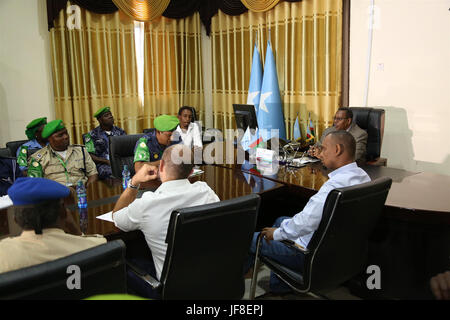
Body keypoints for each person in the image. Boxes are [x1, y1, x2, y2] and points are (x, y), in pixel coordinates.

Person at [245, 131, 371, 294]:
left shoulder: (333, 187)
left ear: (338, 149)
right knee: (280, 220)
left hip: (307, 255)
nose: (321, 153)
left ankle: (233, 286)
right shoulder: (363, 178)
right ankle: (280, 286)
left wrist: (276, 234)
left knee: (248, 238)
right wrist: (281, 230)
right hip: (340, 252)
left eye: (324, 149)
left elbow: (306, 222)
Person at [113, 144, 220, 298]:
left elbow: (116, 217)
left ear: (161, 166)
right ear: (191, 172)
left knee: (124, 262)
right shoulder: (206, 191)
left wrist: (134, 181)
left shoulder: (147, 204)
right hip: (209, 279)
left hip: (172, 290)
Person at [0, 177, 106, 273]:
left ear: (16, 220)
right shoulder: (97, 246)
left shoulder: (3, 256)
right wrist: (76, 232)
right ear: (64, 213)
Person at [27, 119, 98, 187]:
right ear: (49, 139)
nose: (66, 137)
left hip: (81, 193)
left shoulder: (81, 151)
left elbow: (93, 174)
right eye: (60, 135)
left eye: (66, 133)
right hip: (55, 195)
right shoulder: (37, 159)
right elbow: (35, 184)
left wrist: (87, 190)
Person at [84, 107, 126, 180]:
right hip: (103, 164)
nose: (110, 116)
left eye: (110, 114)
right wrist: (106, 161)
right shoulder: (91, 135)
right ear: (100, 120)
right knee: (111, 173)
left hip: (119, 162)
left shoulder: (120, 132)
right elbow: (89, 155)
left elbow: (127, 148)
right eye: (106, 115)